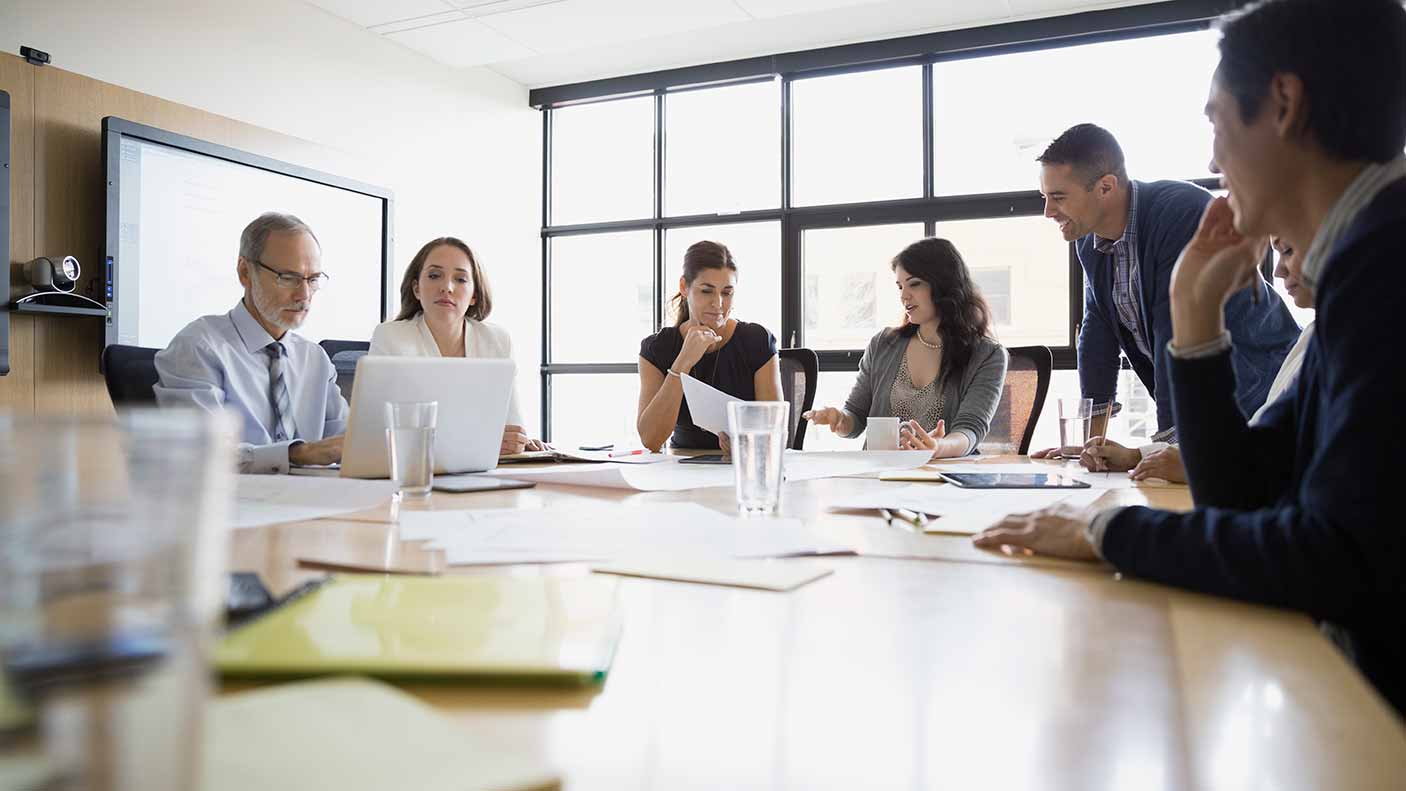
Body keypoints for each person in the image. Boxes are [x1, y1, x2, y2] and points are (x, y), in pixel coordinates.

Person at [974, 0, 1406, 715]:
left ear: (1284, 104)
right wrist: (1195, 323)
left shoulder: (1387, 268)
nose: (1211, 159)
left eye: (1215, 122)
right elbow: (1241, 492)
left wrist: (1107, 527)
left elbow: (1332, 559)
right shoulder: (1362, 269)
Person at [1032, 122, 1300, 461]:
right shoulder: (1089, 242)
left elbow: (1172, 330)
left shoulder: (1178, 211)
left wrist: (1168, 451)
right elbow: (1097, 332)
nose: (1048, 212)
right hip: (1209, 410)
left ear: (1105, 187)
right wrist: (1090, 445)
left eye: (1058, 198)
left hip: (1262, 390)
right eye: (1045, 198)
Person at [1083, 236, 1317, 482]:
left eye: (1288, 250)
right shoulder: (1313, 337)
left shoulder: (1343, 345)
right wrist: (1137, 456)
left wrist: (1206, 467)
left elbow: (1291, 466)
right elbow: (1261, 442)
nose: (1278, 271)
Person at [154, 212, 346, 474]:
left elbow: (347, 445)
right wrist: (298, 454)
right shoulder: (198, 347)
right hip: (234, 507)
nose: (304, 295)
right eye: (287, 277)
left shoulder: (316, 359)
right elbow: (202, 453)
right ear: (245, 272)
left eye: (312, 279)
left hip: (313, 503)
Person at [803, 238, 1008, 458]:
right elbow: (856, 417)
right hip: (878, 477)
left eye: (914, 284)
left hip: (942, 479)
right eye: (900, 286)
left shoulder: (988, 356)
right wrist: (839, 420)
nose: (904, 296)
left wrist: (937, 448)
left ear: (943, 283)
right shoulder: (883, 344)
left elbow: (969, 430)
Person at [369, 237, 542, 456]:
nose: (447, 288)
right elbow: (384, 434)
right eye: (434, 276)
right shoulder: (391, 337)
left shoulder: (497, 340)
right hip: (417, 473)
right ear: (416, 289)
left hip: (487, 473)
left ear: (474, 295)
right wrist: (480, 441)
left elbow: (511, 430)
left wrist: (519, 442)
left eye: (460, 279)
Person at [637, 240, 782, 452]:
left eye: (727, 292)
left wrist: (748, 445)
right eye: (707, 291)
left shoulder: (757, 341)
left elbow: (774, 432)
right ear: (684, 287)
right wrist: (683, 361)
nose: (718, 304)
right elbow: (651, 440)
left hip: (741, 466)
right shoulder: (657, 348)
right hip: (680, 468)